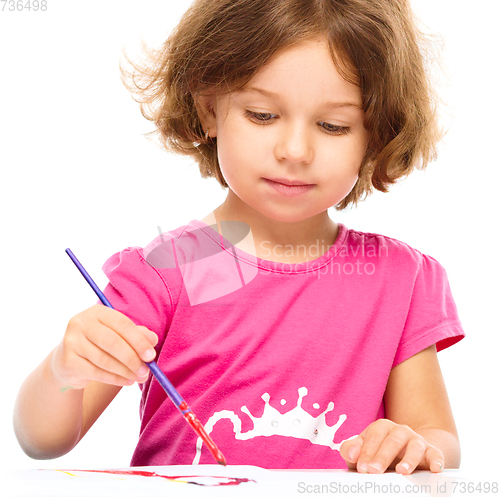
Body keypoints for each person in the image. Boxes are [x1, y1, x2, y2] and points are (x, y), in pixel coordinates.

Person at [14, 0, 464, 473]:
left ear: (377, 133)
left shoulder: (398, 278)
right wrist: (63, 371)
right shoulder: (176, 267)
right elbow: (42, 440)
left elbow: (439, 442)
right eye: (262, 115)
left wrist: (409, 444)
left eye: (334, 125)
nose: (294, 150)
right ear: (209, 110)